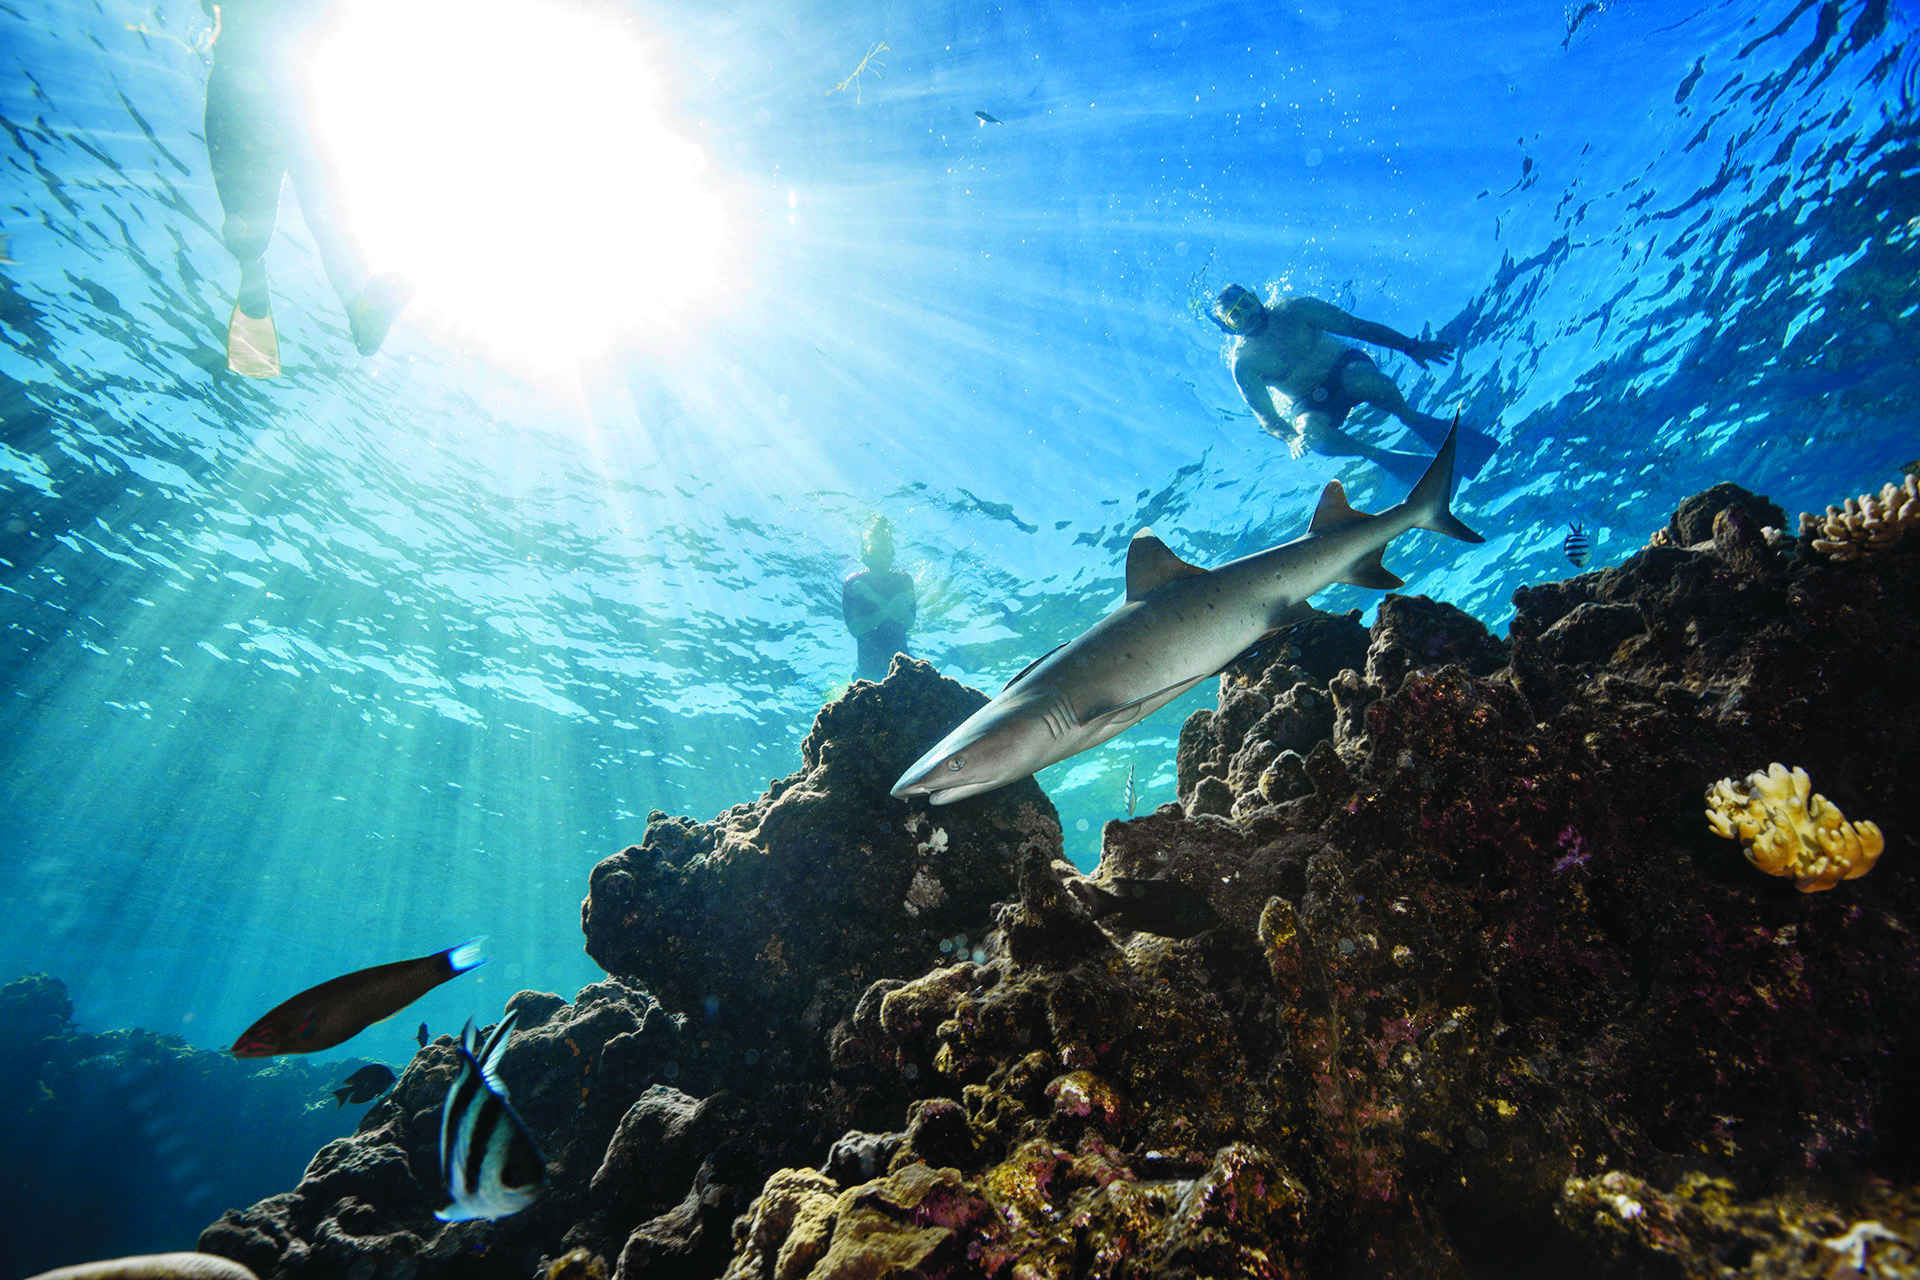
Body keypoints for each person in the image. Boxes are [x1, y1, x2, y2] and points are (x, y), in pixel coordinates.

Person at [201, 0, 412, 377]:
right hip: (297, 98)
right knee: (327, 211)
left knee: (248, 228)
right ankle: (359, 313)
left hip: (241, 90)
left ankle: (252, 271)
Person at [1211, 284, 1496, 482]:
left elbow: (1356, 327)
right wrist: (1291, 438)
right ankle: (1377, 455)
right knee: (1313, 435)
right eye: (1236, 315)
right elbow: (1267, 417)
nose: (1248, 315)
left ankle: (1409, 417)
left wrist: (1411, 346)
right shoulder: (1245, 364)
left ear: (1256, 297)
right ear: (1228, 327)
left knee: (1361, 380)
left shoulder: (1294, 309)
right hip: (1307, 402)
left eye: (1247, 303)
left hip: (1344, 365)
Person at [842, 516, 916, 682]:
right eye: (875, 551)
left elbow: (909, 622)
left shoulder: (902, 580)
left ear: (892, 552)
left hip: (902, 669)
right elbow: (856, 629)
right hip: (867, 672)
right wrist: (891, 607)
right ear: (864, 555)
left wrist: (873, 597)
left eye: (886, 550)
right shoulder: (853, 584)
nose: (881, 557)